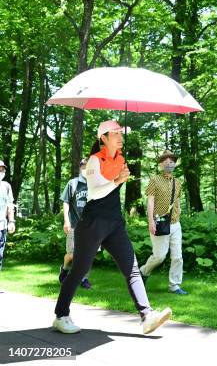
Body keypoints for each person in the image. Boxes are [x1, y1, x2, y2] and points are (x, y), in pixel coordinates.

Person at [53, 120, 171, 335]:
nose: (119, 136)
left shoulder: (122, 159)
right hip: (92, 224)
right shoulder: (93, 161)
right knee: (79, 271)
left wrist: (121, 177)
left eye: (120, 133)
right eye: (114, 133)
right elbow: (95, 192)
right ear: (103, 138)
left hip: (115, 224)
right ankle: (61, 315)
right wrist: (117, 180)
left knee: (132, 268)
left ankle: (147, 316)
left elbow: (114, 190)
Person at [140, 150, 187, 295]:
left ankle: (175, 285)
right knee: (159, 256)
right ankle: (142, 271)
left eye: (172, 161)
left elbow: (177, 200)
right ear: (160, 164)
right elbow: (150, 200)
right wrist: (150, 221)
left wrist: (178, 214)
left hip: (175, 223)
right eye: (166, 162)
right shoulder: (154, 180)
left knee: (178, 256)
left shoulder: (178, 182)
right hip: (159, 222)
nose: (169, 164)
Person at [59, 158, 92, 289]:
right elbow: (66, 201)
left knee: (88, 254)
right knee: (72, 254)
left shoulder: (95, 185)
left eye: (88, 166)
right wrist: (66, 220)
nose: (85, 168)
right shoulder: (72, 183)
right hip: (74, 224)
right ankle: (65, 268)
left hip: (91, 226)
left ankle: (84, 279)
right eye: (83, 166)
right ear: (80, 168)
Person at [0, 160, 15, 271]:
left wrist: (11, 221)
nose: (1, 171)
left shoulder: (6, 186)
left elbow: (10, 205)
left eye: (3, 169)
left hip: (1, 227)